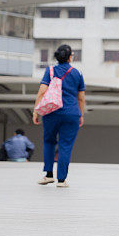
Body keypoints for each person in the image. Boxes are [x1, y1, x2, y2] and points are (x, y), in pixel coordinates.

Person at [33, 44, 85, 187]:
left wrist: (36, 111)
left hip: (51, 113)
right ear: (69, 57)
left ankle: (49, 175)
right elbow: (81, 98)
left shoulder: (49, 71)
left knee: (49, 142)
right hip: (71, 114)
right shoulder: (77, 73)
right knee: (65, 146)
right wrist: (81, 114)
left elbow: (42, 92)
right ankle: (61, 180)